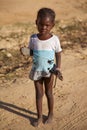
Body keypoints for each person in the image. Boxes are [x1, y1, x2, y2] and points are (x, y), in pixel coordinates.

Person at [28, 7, 62, 127]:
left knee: (49, 93)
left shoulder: (54, 40)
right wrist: (26, 52)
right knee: (38, 94)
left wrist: (58, 68)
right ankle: (39, 117)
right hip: (37, 71)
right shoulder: (33, 38)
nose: (43, 28)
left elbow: (58, 53)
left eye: (47, 25)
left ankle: (51, 114)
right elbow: (33, 52)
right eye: (41, 24)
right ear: (36, 22)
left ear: (52, 25)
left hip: (49, 71)